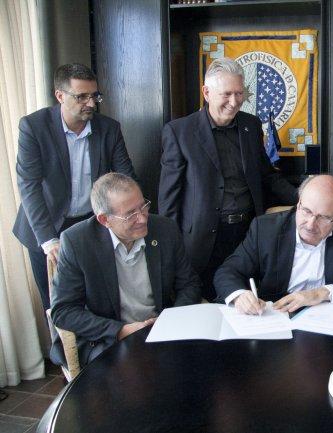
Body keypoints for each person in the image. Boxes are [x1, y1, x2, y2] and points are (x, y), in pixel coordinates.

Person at [159, 57, 297, 301]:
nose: (234, 102)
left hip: (248, 232)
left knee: (247, 300)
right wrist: (172, 244)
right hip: (203, 239)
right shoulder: (179, 131)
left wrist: (303, 197)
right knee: (206, 307)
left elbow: (267, 175)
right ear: (206, 92)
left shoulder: (251, 125)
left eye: (239, 93)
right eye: (226, 94)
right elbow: (170, 196)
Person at [13, 63, 136, 310]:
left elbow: (126, 178)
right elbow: (29, 186)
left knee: (97, 299)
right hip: (46, 226)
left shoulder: (109, 128)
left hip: (91, 224)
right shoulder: (34, 127)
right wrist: (49, 241)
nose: (91, 103)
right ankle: (61, 350)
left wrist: (128, 219)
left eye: (94, 96)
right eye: (81, 97)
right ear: (60, 96)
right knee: (56, 306)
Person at [50, 173, 202, 367]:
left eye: (144, 206)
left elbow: (189, 284)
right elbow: (63, 310)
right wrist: (120, 330)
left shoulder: (165, 229)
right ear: (105, 220)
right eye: (131, 214)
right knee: (131, 372)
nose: (142, 218)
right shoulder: (77, 242)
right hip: (108, 338)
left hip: (162, 329)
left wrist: (171, 320)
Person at [214, 175, 333, 315]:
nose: (311, 224)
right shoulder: (265, 229)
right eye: (306, 211)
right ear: (298, 204)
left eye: (324, 217)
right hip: (276, 316)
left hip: (330, 319)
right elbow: (227, 272)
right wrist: (240, 296)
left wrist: (321, 293)